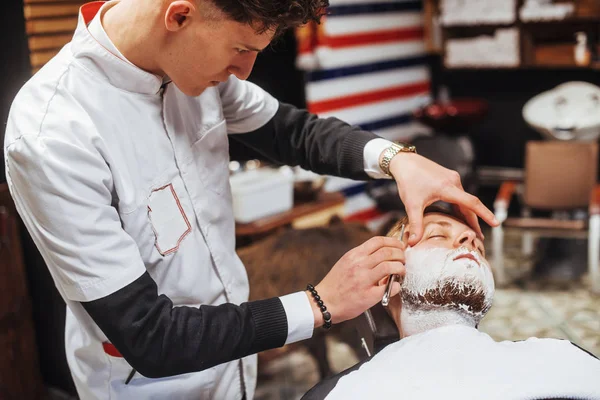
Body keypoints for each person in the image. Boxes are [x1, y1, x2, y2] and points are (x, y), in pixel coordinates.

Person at [3, 0, 498, 399]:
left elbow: (292, 131)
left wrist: (398, 160)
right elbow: (150, 336)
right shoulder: (53, 135)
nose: (245, 71)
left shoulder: (198, 70)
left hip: (237, 367)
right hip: (153, 386)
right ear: (179, 14)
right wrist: (321, 304)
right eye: (241, 48)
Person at [303, 206, 600, 400]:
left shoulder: (560, 357)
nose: (468, 241)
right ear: (388, 279)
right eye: (437, 235)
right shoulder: (344, 393)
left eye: (477, 244)